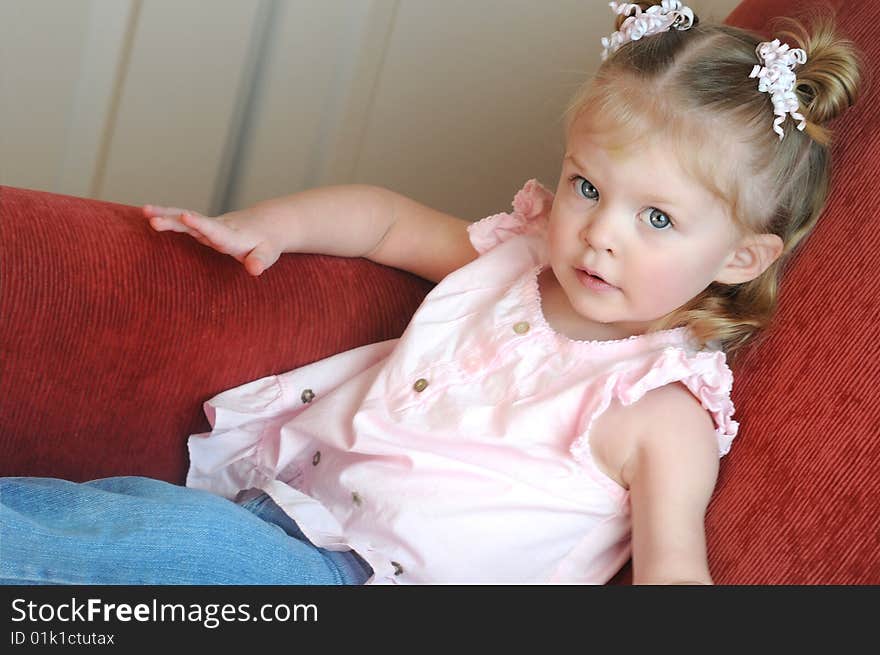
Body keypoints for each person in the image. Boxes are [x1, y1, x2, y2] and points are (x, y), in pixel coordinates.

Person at [1, 1, 864, 585]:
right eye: (588, 187)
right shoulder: (514, 263)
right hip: (284, 513)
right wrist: (268, 225)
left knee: (138, 551)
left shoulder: (660, 411)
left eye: (659, 220)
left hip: (365, 582)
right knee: (101, 516)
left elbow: (675, 573)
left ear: (743, 257)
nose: (600, 233)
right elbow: (383, 224)